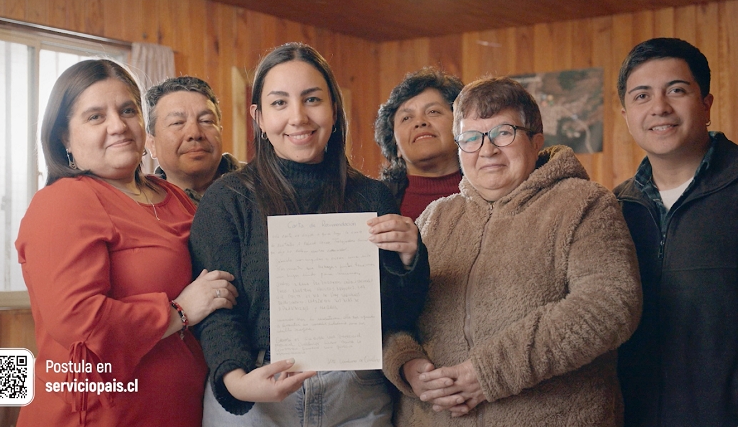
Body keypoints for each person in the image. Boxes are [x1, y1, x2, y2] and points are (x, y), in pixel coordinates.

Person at [191, 42, 430, 426]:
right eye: (280, 103)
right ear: (259, 117)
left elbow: (398, 315)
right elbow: (217, 308)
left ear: (334, 110)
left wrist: (410, 259)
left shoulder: (372, 196)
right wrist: (237, 383)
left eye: (312, 99)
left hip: (355, 391)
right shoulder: (228, 198)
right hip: (256, 390)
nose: (298, 117)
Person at [382, 76, 643, 426]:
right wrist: (407, 364)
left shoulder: (584, 203)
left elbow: (610, 304)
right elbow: (392, 312)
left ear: (536, 141)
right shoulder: (435, 218)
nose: (487, 150)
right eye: (472, 138)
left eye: (503, 133)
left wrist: (487, 373)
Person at [15, 59, 237, 426]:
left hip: (182, 409)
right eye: (95, 117)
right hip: (103, 414)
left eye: (127, 110)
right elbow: (78, 320)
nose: (118, 126)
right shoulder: (65, 200)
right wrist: (178, 312)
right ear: (64, 138)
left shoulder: (173, 196)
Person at [614, 38, 738, 426]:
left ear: (706, 105)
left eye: (677, 90)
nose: (659, 108)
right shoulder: (612, 208)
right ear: (626, 114)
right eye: (641, 96)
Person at [374, 67, 464, 220]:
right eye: (406, 118)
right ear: (395, 145)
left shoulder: (493, 190)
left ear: (462, 126)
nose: (420, 122)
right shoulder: (372, 201)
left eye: (433, 112)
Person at [145, 76, 240, 205]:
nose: (194, 133)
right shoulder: (142, 206)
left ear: (220, 132)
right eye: (177, 123)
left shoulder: (263, 185)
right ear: (151, 144)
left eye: (206, 121)